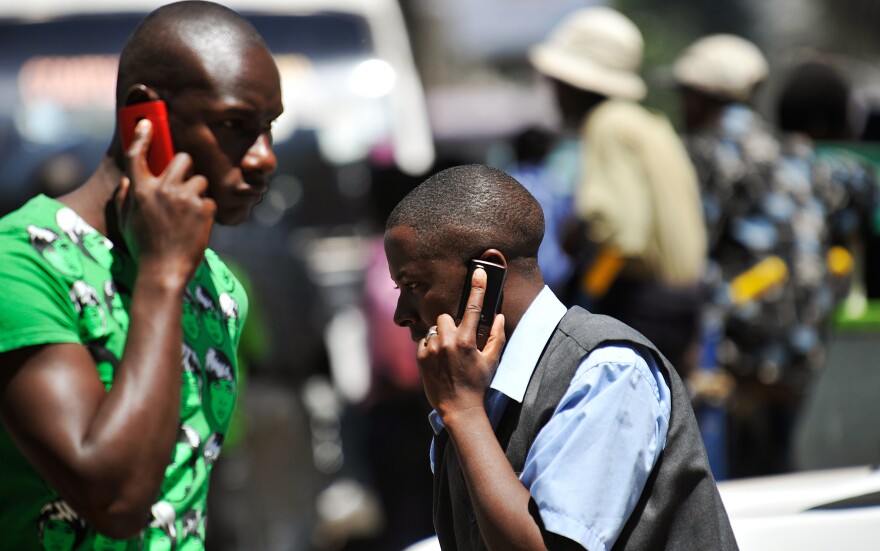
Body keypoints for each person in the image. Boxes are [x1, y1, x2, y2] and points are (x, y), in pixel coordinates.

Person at [0, 2, 283, 548]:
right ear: (143, 117)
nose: (265, 157)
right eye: (234, 125)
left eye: (269, 128)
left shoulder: (220, 288)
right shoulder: (21, 263)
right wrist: (160, 276)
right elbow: (117, 499)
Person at [384, 164, 737, 550]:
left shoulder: (607, 370)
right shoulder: (477, 387)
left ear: (485, 274)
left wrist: (464, 412)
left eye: (414, 284)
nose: (401, 313)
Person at [674, 36, 877, 476]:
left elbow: (693, 256)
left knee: (736, 487)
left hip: (738, 356)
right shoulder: (799, 153)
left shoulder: (708, 154)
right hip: (804, 351)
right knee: (779, 471)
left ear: (698, 96)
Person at [528, 7, 708, 379]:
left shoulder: (607, 123)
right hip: (680, 305)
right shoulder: (650, 123)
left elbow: (619, 232)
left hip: (642, 306)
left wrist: (581, 293)